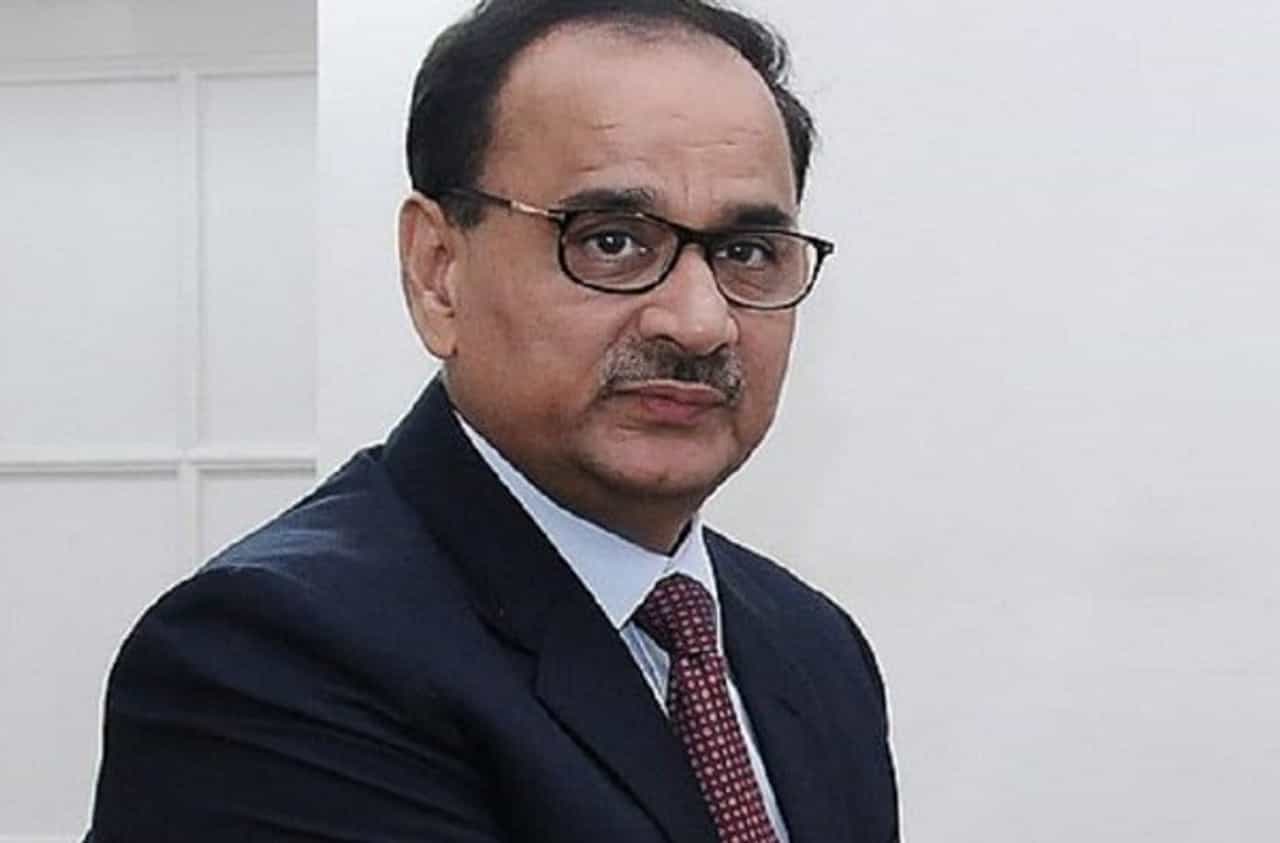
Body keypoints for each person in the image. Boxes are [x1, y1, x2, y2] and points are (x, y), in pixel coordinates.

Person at [85, 1, 898, 840]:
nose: (699, 322)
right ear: (438, 271)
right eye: (611, 241)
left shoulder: (812, 646)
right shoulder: (269, 658)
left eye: (748, 252)